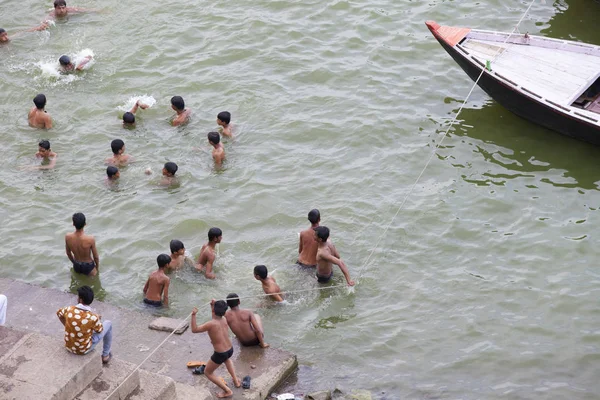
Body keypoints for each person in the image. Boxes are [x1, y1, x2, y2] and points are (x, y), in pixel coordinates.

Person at [191, 300, 241, 397]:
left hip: (220, 353)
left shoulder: (210, 324)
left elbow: (194, 329)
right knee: (227, 359)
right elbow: (215, 316)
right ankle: (236, 380)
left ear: (214, 310)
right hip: (230, 349)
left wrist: (193, 315)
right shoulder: (224, 319)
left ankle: (227, 391)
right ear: (224, 312)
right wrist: (212, 305)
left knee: (207, 372)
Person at [57, 286, 112, 364]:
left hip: (68, 346)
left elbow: (59, 314)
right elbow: (99, 330)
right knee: (108, 323)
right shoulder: (92, 317)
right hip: (83, 350)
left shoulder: (69, 310)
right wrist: (97, 319)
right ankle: (105, 355)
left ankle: (105, 355)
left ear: (80, 299)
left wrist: (67, 325)